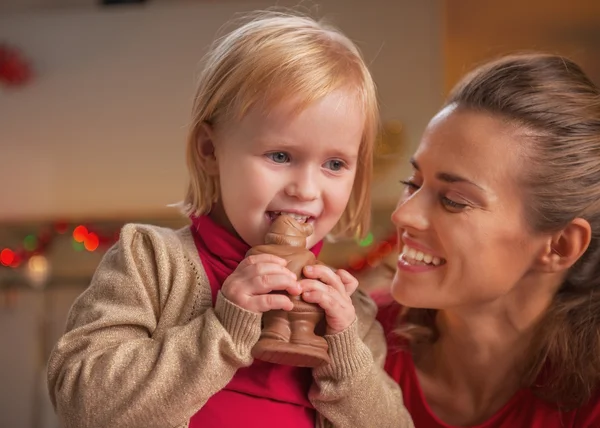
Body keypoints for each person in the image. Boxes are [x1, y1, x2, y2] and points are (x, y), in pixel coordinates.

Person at [46, 10, 413, 428]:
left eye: (334, 163)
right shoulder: (152, 262)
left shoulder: (351, 315)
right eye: (280, 156)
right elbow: (83, 405)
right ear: (209, 150)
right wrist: (223, 327)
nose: (307, 189)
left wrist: (344, 354)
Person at [376, 52, 600, 427]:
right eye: (412, 184)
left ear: (559, 245)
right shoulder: (354, 339)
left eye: (453, 200)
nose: (403, 215)